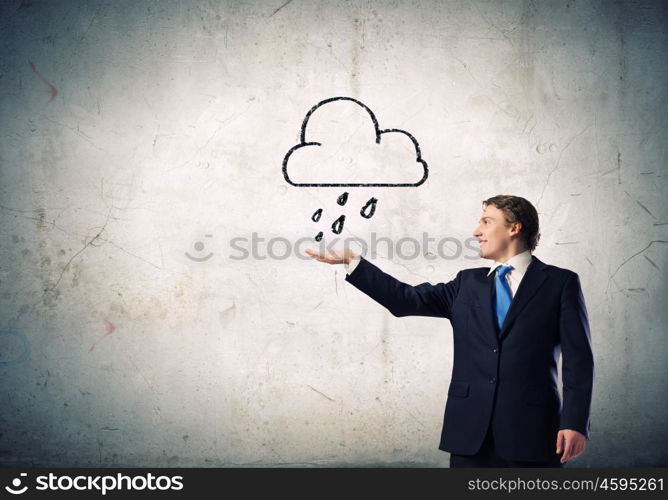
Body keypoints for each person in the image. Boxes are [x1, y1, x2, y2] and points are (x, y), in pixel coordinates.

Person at [305, 195, 594, 467]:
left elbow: (578, 360)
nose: (476, 231)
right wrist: (352, 262)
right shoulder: (467, 284)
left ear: (514, 228)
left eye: (486, 221)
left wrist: (575, 421)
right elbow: (405, 299)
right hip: (470, 433)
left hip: (534, 432)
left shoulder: (559, 283)